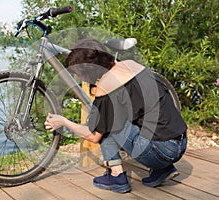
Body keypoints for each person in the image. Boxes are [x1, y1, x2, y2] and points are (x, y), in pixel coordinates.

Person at [44, 38, 187, 193]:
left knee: (104, 125)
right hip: (181, 142)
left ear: (88, 70)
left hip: (161, 151)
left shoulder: (106, 87)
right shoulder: (132, 64)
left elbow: (93, 136)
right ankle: (162, 170)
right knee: (117, 117)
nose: (78, 78)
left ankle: (116, 176)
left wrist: (63, 122)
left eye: (78, 73)